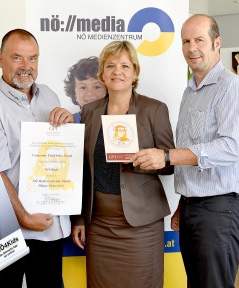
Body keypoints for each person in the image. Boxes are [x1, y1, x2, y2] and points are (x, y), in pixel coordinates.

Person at [131, 14, 239, 288]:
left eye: (199, 40)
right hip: (195, 206)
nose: (191, 47)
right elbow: (197, 149)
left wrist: (167, 156)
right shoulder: (191, 91)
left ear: (217, 43)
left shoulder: (232, 88)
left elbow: (230, 148)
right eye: (186, 41)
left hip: (223, 208)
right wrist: (184, 204)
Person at [0, 28, 75, 288]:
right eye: (17, 58)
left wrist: (68, 124)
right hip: (8, 231)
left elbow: (60, 153)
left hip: (48, 227)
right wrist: (25, 218)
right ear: (0, 59)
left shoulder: (50, 96)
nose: (26, 66)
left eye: (33, 58)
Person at [71, 40, 175, 288]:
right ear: (103, 73)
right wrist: (79, 219)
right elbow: (82, 169)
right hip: (99, 224)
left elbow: (170, 164)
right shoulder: (90, 112)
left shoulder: (154, 110)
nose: (117, 71)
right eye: (110, 65)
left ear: (135, 73)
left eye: (125, 66)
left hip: (140, 225)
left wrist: (151, 160)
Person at [64, 56, 107, 122]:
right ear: (74, 92)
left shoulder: (118, 122)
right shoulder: (69, 123)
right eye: (83, 87)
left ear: (107, 90)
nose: (90, 93)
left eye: (97, 87)